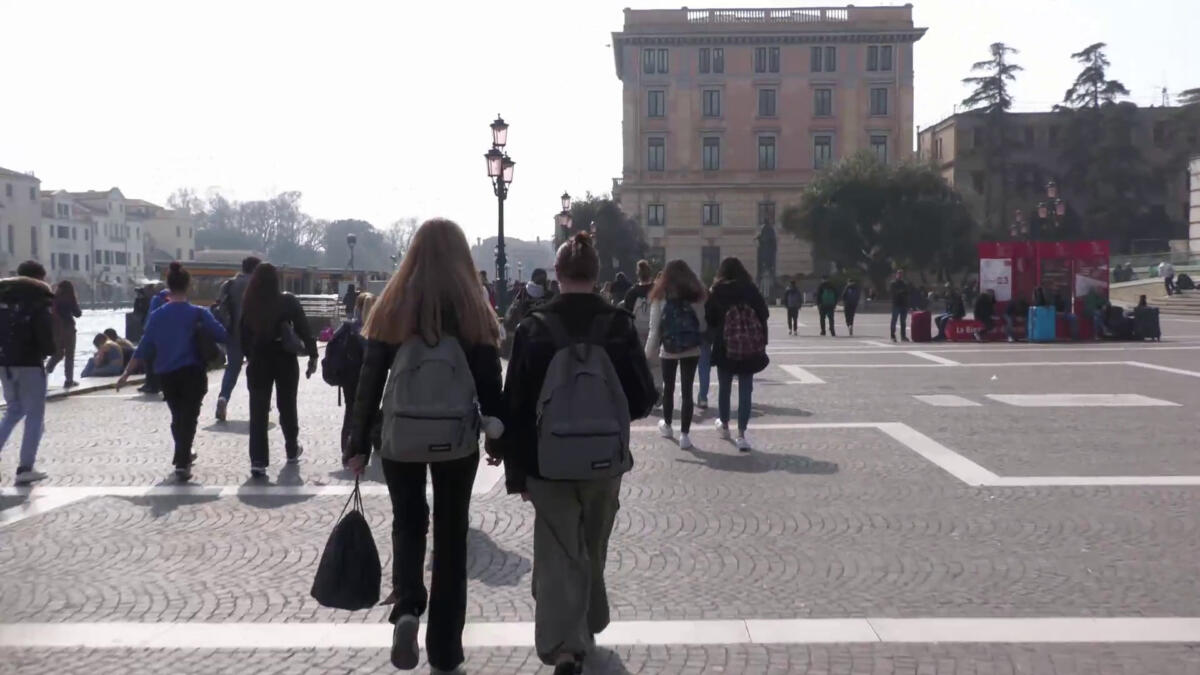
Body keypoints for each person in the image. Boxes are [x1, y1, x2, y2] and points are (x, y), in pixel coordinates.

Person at [346, 219, 503, 674]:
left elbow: (369, 381)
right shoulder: (472, 307)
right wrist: (498, 436)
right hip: (456, 438)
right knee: (452, 536)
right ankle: (446, 651)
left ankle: (408, 608)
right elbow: (489, 380)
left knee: (408, 521)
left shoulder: (393, 304)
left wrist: (358, 442)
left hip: (401, 436)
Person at [498, 232, 656, 675]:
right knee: (593, 544)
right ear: (597, 274)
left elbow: (515, 406)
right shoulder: (619, 325)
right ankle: (588, 620)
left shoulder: (533, 327)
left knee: (557, 552)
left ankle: (565, 648)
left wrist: (516, 473)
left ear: (558, 273)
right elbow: (643, 397)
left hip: (546, 463)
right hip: (604, 461)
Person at [117, 262, 227, 481]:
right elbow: (222, 334)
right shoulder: (198, 313)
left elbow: (144, 346)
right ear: (188, 286)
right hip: (193, 372)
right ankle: (182, 461)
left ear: (168, 285)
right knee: (190, 416)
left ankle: (183, 455)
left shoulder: (157, 315)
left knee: (178, 416)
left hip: (167, 374)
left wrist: (126, 373)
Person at [240, 263, 319, 478]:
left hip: (259, 360)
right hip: (285, 359)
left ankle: (258, 460)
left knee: (258, 410)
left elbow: (243, 335)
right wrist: (313, 354)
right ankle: (291, 447)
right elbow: (304, 328)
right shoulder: (287, 301)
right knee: (287, 405)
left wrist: (250, 355)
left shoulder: (250, 303)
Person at [705, 257, 769, 452]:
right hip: (748, 346)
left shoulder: (717, 290)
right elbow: (764, 313)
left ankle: (724, 426)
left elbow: (709, 318)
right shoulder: (750, 289)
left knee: (724, 387)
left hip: (725, 345)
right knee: (745, 389)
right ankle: (741, 434)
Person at [0, 261, 56, 484]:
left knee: (13, 410)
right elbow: (45, 334)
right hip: (30, 363)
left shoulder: (4, 296)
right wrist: (51, 351)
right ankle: (25, 467)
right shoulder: (38, 298)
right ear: (39, 277)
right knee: (35, 415)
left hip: (5, 362)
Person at [645, 260, 707, 450]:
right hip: (692, 349)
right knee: (687, 391)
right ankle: (685, 436)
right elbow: (702, 324)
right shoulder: (696, 294)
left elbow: (654, 329)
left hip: (668, 349)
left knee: (669, 388)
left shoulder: (661, 295)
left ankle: (668, 425)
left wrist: (647, 354)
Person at [214, 256, 261, 422]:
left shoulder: (229, 284)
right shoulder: (258, 285)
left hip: (234, 333)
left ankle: (223, 397)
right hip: (254, 334)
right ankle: (258, 403)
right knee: (256, 369)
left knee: (232, 369)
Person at [335, 291, 376, 456]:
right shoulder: (375, 329)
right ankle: (367, 445)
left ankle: (346, 448)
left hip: (349, 377)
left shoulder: (347, 326)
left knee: (350, 411)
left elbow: (333, 346)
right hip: (368, 377)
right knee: (369, 411)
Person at [45, 280, 82, 387]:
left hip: (56, 329)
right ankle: (69, 380)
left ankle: (46, 372)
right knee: (69, 355)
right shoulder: (70, 298)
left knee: (58, 354)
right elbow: (78, 313)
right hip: (68, 329)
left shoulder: (53, 299)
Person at [139, 285, 171, 395]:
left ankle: (151, 384)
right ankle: (158, 384)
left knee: (149, 359)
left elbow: (151, 316)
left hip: (153, 334)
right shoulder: (170, 297)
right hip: (165, 335)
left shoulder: (156, 299)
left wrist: (146, 330)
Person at [889, 270, 910, 342]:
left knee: (903, 321)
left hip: (904, 304)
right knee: (894, 320)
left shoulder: (904, 283)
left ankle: (903, 336)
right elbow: (894, 292)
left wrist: (902, 292)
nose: (900, 275)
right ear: (896, 275)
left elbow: (907, 292)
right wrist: (901, 291)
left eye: (901, 274)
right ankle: (892, 335)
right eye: (899, 274)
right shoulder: (893, 283)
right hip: (896, 304)